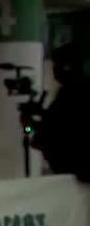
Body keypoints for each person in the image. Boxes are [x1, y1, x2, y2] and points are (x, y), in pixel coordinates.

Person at [32, 44, 90, 181]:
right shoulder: (75, 90)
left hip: (77, 169)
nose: (53, 71)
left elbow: (60, 128)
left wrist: (35, 125)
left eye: (56, 65)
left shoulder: (71, 93)